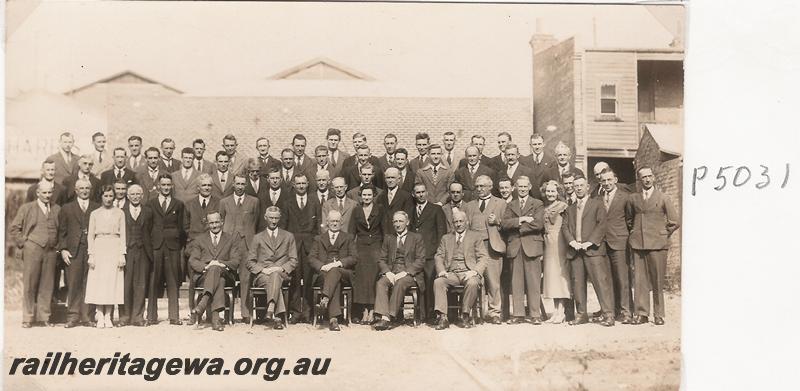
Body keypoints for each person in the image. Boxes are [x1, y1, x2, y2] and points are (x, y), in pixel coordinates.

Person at [626, 166, 680, 326]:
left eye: (649, 176)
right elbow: (629, 220)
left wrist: (662, 233)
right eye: (644, 177)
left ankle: (658, 314)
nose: (647, 179)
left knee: (657, 281)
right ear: (639, 179)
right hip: (638, 244)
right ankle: (641, 313)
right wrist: (635, 233)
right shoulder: (633, 199)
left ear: (654, 177)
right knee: (640, 281)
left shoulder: (663, 197)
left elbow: (674, 221)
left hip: (657, 244)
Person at [561, 175, 615, 327]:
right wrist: (572, 242)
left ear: (587, 188)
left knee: (600, 283)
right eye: (575, 185)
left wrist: (589, 242)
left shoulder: (596, 204)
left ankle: (608, 314)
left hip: (593, 250)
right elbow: (564, 227)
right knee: (578, 284)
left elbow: (602, 224)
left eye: (581, 185)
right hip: (575, 251)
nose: (578, 188)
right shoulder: (569, 208)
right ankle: (581, 314)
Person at [10, 180, 61, 327]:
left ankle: (44, 317)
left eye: (49, 192)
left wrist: (57, 247)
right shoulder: (27, 208)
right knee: (30, 284)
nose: (47, 195)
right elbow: (14, 228)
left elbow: (60, 229)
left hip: (50, 251)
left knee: (47, 285)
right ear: (37, 193)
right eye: (44, 193)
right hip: (33, 249)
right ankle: (28, 317)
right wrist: (24, 242)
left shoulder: (57, 209)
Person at [500, 176, 546, 324]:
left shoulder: (538, 203)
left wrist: (518, 229)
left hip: (532, 246)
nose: (522, 189)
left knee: (533, 281)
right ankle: (518, 314)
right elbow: (504, 224)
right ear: (515, 187)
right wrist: (522, 220)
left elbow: (538, 224)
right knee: (516, 281)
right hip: (515, 247)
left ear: (530, 186)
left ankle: (535, 315)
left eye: (525, 187)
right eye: (520, 187)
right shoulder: (511, 205)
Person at [432, 209, 488, 330]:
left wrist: (475, 271)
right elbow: (438, 256)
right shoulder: (446, 238)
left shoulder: (475, 237)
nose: (458, 224)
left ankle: (465, 315)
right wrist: (441, 271)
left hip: (468, 272)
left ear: (466, 222)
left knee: (473, 282)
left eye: (461, 221)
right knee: (438, 282)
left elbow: (483, 257)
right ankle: (443, 317)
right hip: (451, 273)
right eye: (455, 221)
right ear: (452, 223)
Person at [463, 175, 507, 324]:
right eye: (477, 186)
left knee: (494, 281)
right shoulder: (469, 206)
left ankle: (494, 312)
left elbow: (507, 225)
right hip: (475, 248)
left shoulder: (501, 203)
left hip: (492, 246)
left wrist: (497, 221)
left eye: (482, 186)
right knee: (475, 279)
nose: (479, 189)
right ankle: (475, 312)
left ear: (490, 186)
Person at [57, 178, 100, 328]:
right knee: (74, 283)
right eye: (81, 188)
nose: (84, 191)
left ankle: (87, 316)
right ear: (76, 190)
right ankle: (73, 316)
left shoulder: (96, 207)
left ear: (91, 190)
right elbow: (61, 231)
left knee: (89, 283)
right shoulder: (67, 208)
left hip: (91, 251)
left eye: (87, 188)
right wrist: (63, 250)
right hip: (73, 251)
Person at [189, 211, 243, 331]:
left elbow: (235, 261)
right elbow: (193, 260)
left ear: (222, 222)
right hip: (204, 276)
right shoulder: (200, 239)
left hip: (226, 273)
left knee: (217, 270)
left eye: (217, 222)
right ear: (208, 224)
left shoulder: (231, 239)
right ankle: (216, 319)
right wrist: (206, 267)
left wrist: (220, 264)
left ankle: (204, 301)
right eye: (211, 223)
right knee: (219, 279)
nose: (214, 225)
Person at [373, 211, 425, 331]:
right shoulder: (389, 238)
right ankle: (383, 315)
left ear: (407, 222)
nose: (398, 224)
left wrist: (406, 272)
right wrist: (387, 272)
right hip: (392, 271)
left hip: (410, 275)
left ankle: (389, 317)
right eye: (395, 221)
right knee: (381, 283)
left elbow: (421, 260)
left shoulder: (416, 238)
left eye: (401, 221)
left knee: (400, 283)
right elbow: (381, 259)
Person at [247, 206, 298, 330]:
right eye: (271, 218)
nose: (273, 221)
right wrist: (263, 270)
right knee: (274, 280)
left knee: (275, 276)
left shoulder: (288, 236)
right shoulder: (257, 237)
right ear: (265, 218)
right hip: (262, 275)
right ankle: (278, 317)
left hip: (282, 274)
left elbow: (294, 260)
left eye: (276, 218)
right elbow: (250, 262)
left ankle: (271, 305)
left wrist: (280, 269)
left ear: (280, 218)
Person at [147, 173, 188, 325]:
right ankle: (151, 316)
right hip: (156, 246)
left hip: (172, 247)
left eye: (168, 185)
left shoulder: (178, 204)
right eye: (163, 185)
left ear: (172, 186)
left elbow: (182, 228)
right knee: (153, 281)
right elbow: (148, 225)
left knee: (173, 281)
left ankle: (174, 316)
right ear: (158, 186)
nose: (165, 188)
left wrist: (176, 240)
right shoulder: (150, 204)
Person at [308, 210, 358, 331]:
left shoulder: (348, 237)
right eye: (332, 221)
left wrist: (339, 263)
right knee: (335, 280)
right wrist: (322, 266)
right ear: (327, 222)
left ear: (341, 222)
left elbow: (354, 257)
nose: (334, 223)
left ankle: (325, 298)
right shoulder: (319, 238)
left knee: (335, 271)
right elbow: (311, 258)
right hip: (323, 273)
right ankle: (333, 319)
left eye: (337, 221)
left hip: (344, 272)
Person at [219, 174, 260, 323]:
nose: (240, 186)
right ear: (233, 184)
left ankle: (245, 313)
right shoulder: (224, 202)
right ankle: (224, 313)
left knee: (246, 278)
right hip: (229, 244)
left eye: (243, 184)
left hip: (247, 244)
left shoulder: (254, 201)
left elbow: (257, 221)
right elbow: (221, 220)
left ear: (246, 185)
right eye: (238, 183)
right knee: (225, 276)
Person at [85, 185, 126, 328]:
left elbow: (123, 236)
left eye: (110, 196)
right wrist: (91, 254)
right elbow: (90, 236)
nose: (108, 199)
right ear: (101, 197)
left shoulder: (120, 213)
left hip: (114, 247)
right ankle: (99, 314)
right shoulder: (94, 214)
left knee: (111, 282)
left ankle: (108, 315)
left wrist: (122, 254)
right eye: (105, 196)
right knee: (99, 282)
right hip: (99, 246)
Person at [284, 173, 321, 323]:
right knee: (293, 279)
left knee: (308, 279)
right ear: (294, 185)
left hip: (309, 246)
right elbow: (284, 226)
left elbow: (319, 226)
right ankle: (295, 311)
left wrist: (316, 246)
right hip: (293, 246)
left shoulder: (314, 202)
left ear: (307, 184)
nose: (301, 186)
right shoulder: (288, 202)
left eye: (303, 183)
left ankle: (307, 311)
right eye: (298, 183)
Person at [409, 183, 447, 322]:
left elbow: (441, 232)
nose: (420, 195)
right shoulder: (411, 210)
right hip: (416, 254)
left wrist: (438, 252)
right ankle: (420, 314)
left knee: (431, 283)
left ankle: (431, 314)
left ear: (427, 193)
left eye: (423, 192)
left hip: (431, 253)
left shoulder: (436, 209)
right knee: (419, 283)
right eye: (417, 192)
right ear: (413, 194)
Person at [599, 169, 634, 324]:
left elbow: (630, 219)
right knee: (607, 280)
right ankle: (610, 313)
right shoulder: (598, 198)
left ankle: (627, 312)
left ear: (615, 179)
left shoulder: (625, 197)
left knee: (622, 278)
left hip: (619, 242)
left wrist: (625, 237)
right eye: (603, 181)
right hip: (602, 243)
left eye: (609, 180)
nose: (606, 183)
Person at [348, 185, 384, 323]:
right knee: (362, 278)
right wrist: (352, 250)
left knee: (374, 277)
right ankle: (364, 310)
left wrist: (383, 249)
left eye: (369, 195)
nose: (367, 197)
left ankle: (373, 309)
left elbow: (384, 229)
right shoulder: (356, 210)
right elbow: (351, 232)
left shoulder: (380, 209)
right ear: (360, 196)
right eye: (364, 195)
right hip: (361, 247)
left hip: (376, 246)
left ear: (373, 195)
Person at [119, 184, 154, 327]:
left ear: (142, 196)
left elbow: (151, 230)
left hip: (142, 250)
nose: (135, 197)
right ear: (127, 196)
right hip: (127, 250)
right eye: (132, 194)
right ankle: (124, 317)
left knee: (140, 284)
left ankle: (138, 316)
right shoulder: (121, 212)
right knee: (125, 285)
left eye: (138, 194)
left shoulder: (148, 212)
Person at [540, 180, 571, 324]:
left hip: (559, 243)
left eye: (553, 191)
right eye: (548, 191)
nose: (550, 194)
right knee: (551, 278)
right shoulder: (545, 207)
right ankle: (554, 311)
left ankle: (562, 311)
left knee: (560, 276)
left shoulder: (563, 206)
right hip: (548, 244)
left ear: (558, 192)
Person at [377, 167, 415, 234]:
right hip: (383, 234)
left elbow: (408, 218)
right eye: (388, 178)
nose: (390, 180)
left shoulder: (406, 196)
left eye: (393, 177)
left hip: (399, 234)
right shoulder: (380, 196)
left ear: (399, 179)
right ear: (385, 179)